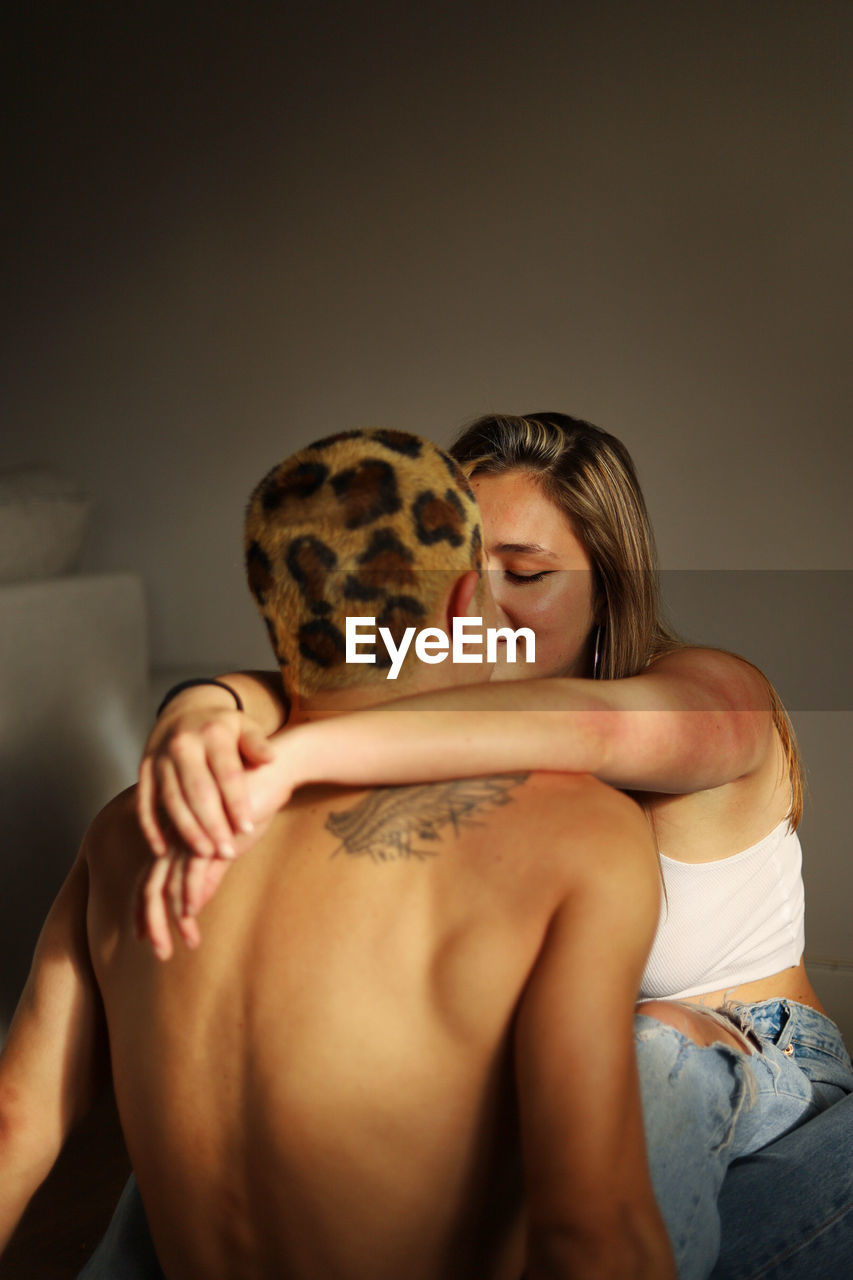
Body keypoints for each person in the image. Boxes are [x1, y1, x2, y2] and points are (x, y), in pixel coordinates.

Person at [132, 412, 852, 1278]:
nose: (482, 606)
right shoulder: (420, 734)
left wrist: (290, 749)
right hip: (544, 1109)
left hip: (765, 1092)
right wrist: (207, 705)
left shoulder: (712, 688)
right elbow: (321, 683)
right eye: (463, 573)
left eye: (528, 573)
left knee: (642, 1052)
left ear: (608, 587)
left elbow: (592, 728)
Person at [0, 429, 674, 1279]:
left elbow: (12, 1126)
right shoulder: (580, 833)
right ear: (467, 602)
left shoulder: (130, 831)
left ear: (274, 602)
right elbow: (591, 1234)